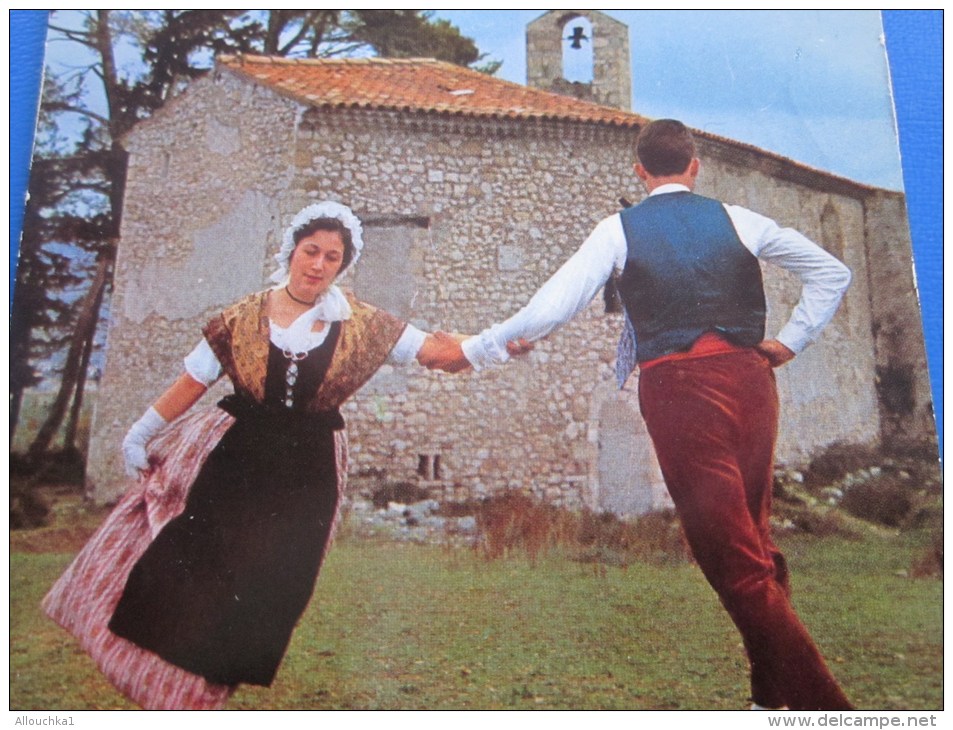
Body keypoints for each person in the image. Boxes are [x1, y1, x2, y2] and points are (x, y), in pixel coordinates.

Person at [427, 119, 854, 711]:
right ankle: (768, 702)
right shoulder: (740, 219)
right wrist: (789, 342)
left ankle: (830, 712)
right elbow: (832, 272)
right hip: (751, 382)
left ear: (639, 171)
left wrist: (477, 349)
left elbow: (553, 306)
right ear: (695, 166)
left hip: (679, 389)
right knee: (754, 545)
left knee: (730, 557)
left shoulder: (617, 229)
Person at [42, 201, 455, 710]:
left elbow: (436, 352)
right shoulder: (242, 317)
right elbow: (193, 380)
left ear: (342, 265)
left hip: (307, 474)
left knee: (271, 589)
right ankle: (161, 691)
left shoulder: (360, 323)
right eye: (311, 251)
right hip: (236, 462)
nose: (318, 265)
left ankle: (201, 698)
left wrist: (496, 344)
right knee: (191, 568)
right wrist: (139, 435)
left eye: (332, 257)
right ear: (292, 251)